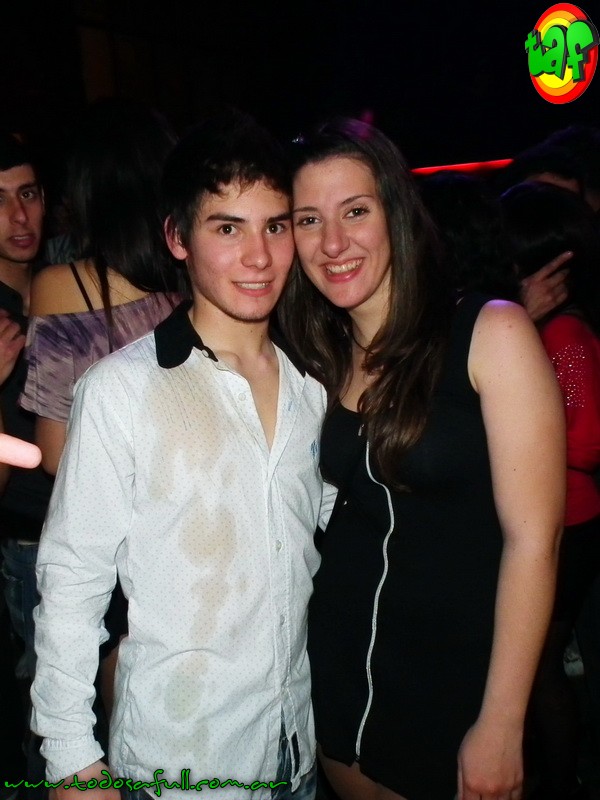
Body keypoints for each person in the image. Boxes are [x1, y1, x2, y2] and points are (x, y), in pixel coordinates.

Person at [31, 109, 335, 800]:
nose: (259, 257)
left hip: (297, 749)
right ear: (177, 238)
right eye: (227, 228)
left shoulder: (311, 386)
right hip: (182, 764)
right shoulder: (122, 391)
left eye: (275, 226)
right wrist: (70, 755)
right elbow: (72, 580)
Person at [278, 118, 565, 800]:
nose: (333, 243)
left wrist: (502, 721)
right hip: (340, 686)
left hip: (457, 693)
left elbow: (535, 541)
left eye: (355, 211)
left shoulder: (490, 332)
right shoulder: (317, 355)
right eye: (309, 220)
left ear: (396, 215)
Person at [502, 180, 600, 800]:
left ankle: (561, 784)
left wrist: (525, 445)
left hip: (569, 521)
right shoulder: (553, 325)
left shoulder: (561, 332)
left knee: (538, 668)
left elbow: (587, 439)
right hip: (567, 517)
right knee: (540, 665)